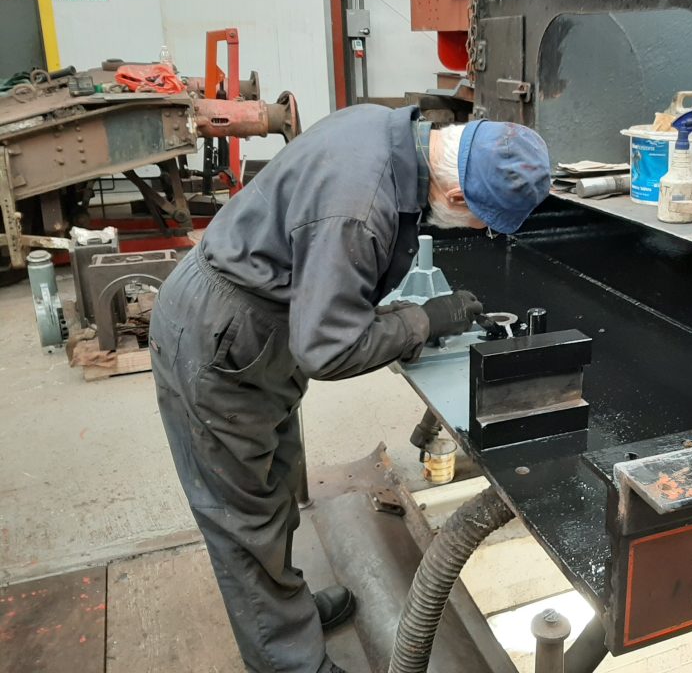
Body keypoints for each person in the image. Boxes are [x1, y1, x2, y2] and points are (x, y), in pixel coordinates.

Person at [148, 104, 550, 673]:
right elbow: (329, 350)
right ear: (458, 196)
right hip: (222, 339)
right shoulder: (359, 212)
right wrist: (422, 320)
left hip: (261, 325)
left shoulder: (386, 130)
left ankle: (284, 612)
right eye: (482, 222)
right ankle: (289, 660)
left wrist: (406, 316)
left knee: (273, 485)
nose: (478, 233)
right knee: (243, 518)